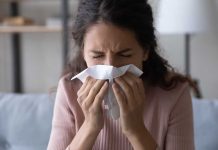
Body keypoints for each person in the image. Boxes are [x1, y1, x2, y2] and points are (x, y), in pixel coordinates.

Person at [47, 0, 195, 149]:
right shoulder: (69, 90)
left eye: (124, 54)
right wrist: (90, 127)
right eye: (97, 55)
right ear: (83, 52)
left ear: (145, 51)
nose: (110, 67)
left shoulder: (175, 93)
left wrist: (136, 130)